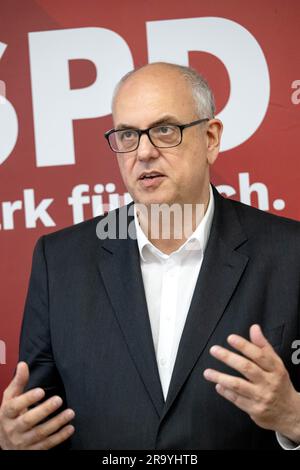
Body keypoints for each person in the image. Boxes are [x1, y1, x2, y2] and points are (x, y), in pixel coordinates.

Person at [0, 62, 299, 450]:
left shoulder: (291, 254)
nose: (143, 152)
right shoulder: (59, 263)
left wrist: (293, 414)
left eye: (164, 130)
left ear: (211, 138)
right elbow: (35, 422)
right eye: (127, 135)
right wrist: (9, 442)